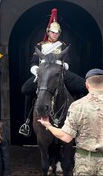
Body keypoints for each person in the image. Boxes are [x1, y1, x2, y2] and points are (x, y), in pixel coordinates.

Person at [19, 8, 87, 136]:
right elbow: (33, 63)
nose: (55, 34)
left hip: (59, 73)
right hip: (42, 75)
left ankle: (81, 120)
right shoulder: (40, 45)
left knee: (82, 85)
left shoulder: (62, 46)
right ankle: (26, 122)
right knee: (26, 89)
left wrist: (61, 67)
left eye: (57, 33)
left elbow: (67, 62)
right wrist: (38, 72)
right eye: (52, 32)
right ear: (48, 32)